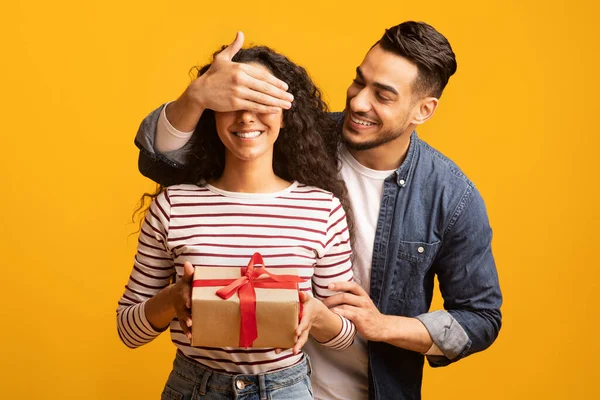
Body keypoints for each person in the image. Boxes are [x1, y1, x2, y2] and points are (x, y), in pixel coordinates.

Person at [133, 21, 503, 400]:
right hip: (267, 383)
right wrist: (195, 97)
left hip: (369, 389)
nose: (359, 102)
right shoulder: (296, 137)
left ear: (423, 110)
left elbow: (481, 319)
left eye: (383, 95)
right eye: (360, 81)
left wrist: (382, 326)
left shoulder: (451, 196)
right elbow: (162, 163)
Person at [117, 45, 357, 399]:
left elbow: (345, 335)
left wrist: (316, 315)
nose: (246, 118)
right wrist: (172, 298)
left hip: (286, 389)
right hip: (193, 388)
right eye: (232, 104)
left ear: (286, 113)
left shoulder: (321, 209)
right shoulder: (173, 206)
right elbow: (128, 331)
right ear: (212, 112)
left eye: (261, 101)